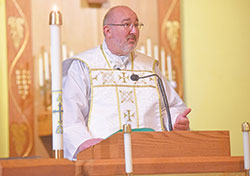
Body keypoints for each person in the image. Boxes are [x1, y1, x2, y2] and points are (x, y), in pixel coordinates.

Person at [62, 5, 191, 161]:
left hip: (150, 160)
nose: (134, 31)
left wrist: (176, 121)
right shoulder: (84, 65)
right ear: (107, 31)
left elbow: (169, 107)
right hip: (103, 159)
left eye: (136, 25)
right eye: (126, 24)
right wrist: (84, 143)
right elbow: (70, 115)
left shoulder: (149, 67)